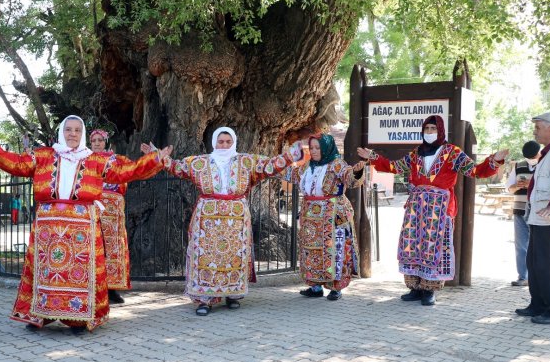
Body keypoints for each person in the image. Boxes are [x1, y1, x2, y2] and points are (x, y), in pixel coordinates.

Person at [0, 115, 171, 333]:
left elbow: (127, 171)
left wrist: (154, 159)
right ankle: (40, 314)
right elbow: (16, 163)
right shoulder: (43, 156)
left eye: (77, 130)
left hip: (82, 226)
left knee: (79, 273)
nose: (73, 134)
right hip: (48, 227)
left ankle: (78, 318)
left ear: (82, 133)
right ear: (62, 131)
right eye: (69, 130)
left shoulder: (95, 160)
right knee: (46, 272)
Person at [358, 115, 508, 306]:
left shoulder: (452, 152)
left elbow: (475, 171)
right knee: (412, 244)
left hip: (440, 207)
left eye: (433, 129)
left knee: (434, 245)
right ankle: (415, 287)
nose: (429, 132)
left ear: (441, 131)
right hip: (416, 208)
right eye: (426, 129)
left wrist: (494, 161)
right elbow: (394, 167)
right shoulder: (415, 154)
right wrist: (373, 157)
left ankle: (430, 290)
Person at [163, 126, 306, 316]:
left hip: (236, 217)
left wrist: (290, 156)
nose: (224, 145)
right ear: (214, 142)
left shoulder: (246, 161)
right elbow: (176, 168)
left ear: (234, 142)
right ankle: (204, 299)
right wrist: (160, 157)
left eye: (228, 142)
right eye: (220, 142)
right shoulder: (199, 162)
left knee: (234, 256)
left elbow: (269, 165)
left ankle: (232, 295)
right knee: (206, 255)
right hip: (207, 218)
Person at [285, 134, 366, 300]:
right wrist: (280, 163)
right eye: (312, 148)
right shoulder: (308, 165)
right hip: (311, 216)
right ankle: (315, 287)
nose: (314, 151)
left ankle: (336, 288)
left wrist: (357, 171)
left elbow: (351, 179)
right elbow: (292, 175)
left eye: (318, 148)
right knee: (312, 251)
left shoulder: (337, 164)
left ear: (326, 148)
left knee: (335, 249)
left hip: (333, 213)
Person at [516, 112, 550, 325]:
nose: (535, 131)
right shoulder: (548, 153)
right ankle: (538, 304)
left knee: (547, 264)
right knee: (534, 262)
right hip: (539, 217)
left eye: (538, 127)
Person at [90, 129, 129, 304]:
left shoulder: (116, 160)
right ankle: (93, 287)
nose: (97, 143)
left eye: (100, 140)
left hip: (113, 211)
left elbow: (128, 174)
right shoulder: (85, 160)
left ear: (105, 141)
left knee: (113, 249)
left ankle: (111, 289)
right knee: (93, 247)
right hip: (92, 209)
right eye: (94, 140)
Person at [505, 140, 541, 286]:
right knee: (521, 245)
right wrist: (516, 186)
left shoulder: (545, 164)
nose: (531, 159)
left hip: (538, 211)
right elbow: (509, 188)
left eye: (533, 156)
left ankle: (537, 277)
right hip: (519, 209)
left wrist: (530, 185)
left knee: (538, 245)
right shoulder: (519, 166)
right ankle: (523, 276)